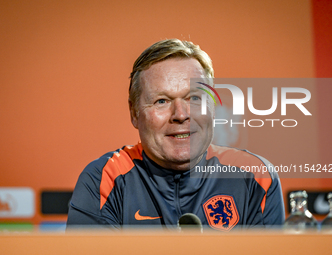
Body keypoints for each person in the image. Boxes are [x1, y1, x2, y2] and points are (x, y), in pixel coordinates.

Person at [66, 39, 285, 231]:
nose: (181, 115)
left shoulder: (255, 176)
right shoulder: (105, 178)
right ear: (134, 113)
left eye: (194, 98)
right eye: (162, 101)